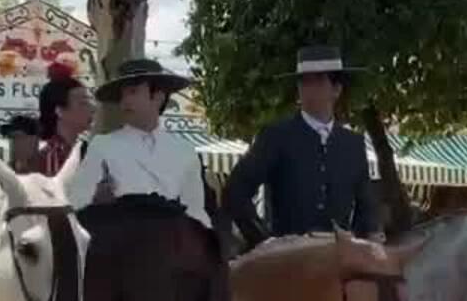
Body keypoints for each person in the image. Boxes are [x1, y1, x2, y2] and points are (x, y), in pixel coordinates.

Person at [222, 45, 381, 249]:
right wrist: (263, 240)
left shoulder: (352, 144)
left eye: (318, 81)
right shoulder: (276, 136)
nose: (309, 88)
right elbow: (235, 191)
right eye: (304, 81)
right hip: (287, 261)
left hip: (339, 259)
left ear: (336, 89)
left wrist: (366, 241)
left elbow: (365, 205)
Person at [63, 58, 211, 229]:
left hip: (172, 243)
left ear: (157, 97)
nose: (125, 101)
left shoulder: (184, 150)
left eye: (133, 92)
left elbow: (195, 210)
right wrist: (95, 199)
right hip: (120, 241)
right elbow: (75, 201)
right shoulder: (103, 145)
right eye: (123, 95)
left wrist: (210, 244)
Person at [37, 62, 95, 175]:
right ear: (60, 111)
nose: (92, 108)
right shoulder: (51, 157)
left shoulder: (85, 150)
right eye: (83, 103)